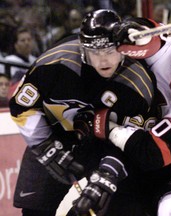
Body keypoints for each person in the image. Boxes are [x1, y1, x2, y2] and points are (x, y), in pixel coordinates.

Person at [69, 15, 171, 215]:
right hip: (126, 158)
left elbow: (151, 153)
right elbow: (147, 35)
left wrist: (108, 128)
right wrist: (135, 31)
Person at [9, 9, 158, 216]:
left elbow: (135, 140)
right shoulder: (53, 64)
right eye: (95, 52)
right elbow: (20, 106)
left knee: (109, 207)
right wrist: (45, 146)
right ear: (82, 48)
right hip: (53, 135)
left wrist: (109, 171)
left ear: (122, 48)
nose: (103, 60)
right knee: (34, 211)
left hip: (106, 147)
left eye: (109, 51)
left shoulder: (137, 85)